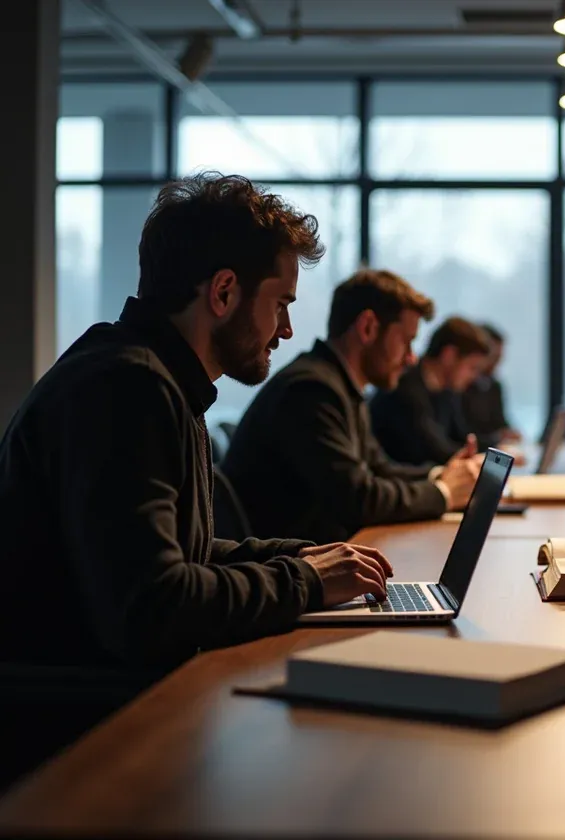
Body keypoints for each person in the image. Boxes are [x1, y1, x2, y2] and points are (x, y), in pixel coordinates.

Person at [0, 175, 394, 782]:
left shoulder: (150, 377)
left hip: (126, 694)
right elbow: (154, 606)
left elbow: (183, 553)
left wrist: (310, 558)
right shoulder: (124, 389)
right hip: (86, 735)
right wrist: (304, 581)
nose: (286, 331)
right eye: (281, 303)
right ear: (224, 292)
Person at [221, 269, 480, 545]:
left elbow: (378, 468)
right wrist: (443, 493)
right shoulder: (310, 390)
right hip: (287, 572)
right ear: (368, 327)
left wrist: (443, 475)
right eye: (406, 340)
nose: (411, 358)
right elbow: (357, 499)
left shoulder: (339, 386)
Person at [370, 316, 494, 466]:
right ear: (449, 355)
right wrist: (485, 460)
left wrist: (498, 448)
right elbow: (435, 451)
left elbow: (463, 437)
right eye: (472, 368)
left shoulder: (447, 392)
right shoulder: (404, 387)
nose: (474, 378)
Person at [462, 323, 520, 443]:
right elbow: (462, 434)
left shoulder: (494, 386)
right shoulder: (461, 386)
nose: (496, 364)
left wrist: (509, 433)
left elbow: (501, 422)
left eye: (499, 358)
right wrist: (496, 438)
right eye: (493, 357)